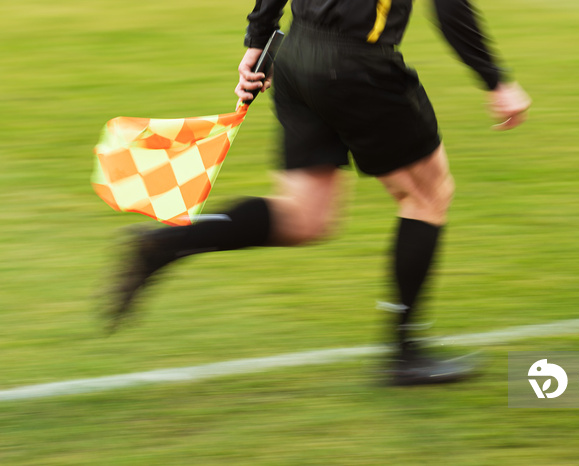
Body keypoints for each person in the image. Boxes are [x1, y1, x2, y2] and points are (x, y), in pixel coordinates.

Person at [103, 0, 531, 386]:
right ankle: (404, 352)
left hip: (298, 55)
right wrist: (495, 81)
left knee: (305, 217)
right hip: (357, 65)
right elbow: (450, 7)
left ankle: (165, 244)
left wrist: (259, 40)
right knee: (428, 195)